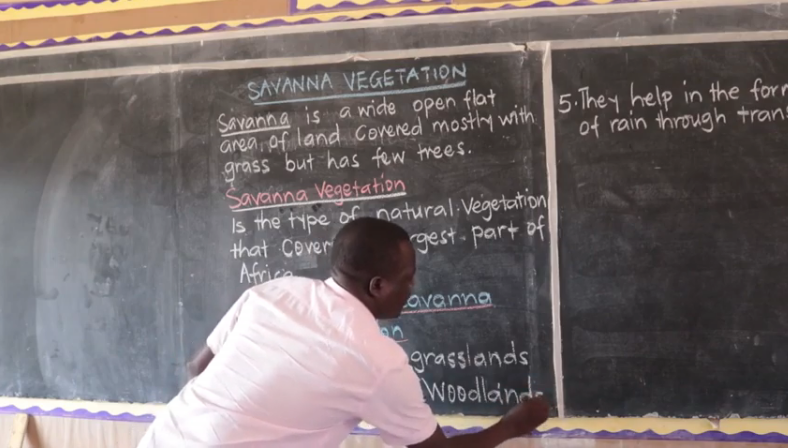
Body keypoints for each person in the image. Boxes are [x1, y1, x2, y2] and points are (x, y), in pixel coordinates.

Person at [138, 217, 549, 448]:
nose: (413, 287)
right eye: (408, 278)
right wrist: (513, 425)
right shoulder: (374, 359)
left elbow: (198, 368)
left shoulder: (274, 291)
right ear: (377, 286)